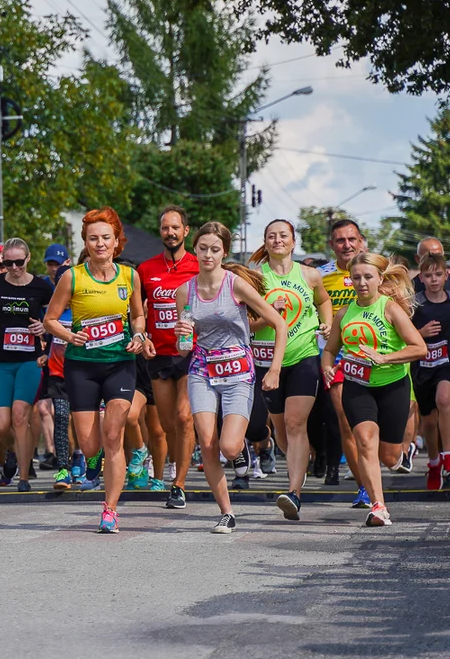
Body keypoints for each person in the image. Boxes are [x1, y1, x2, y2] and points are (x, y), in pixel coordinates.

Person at [175, 222, 287, 534]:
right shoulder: (185, 291)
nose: (208, 255)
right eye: (203, 248)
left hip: (238, 371)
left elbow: (278, 323)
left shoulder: (235, 284)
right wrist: (181, 336)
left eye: (215, 249)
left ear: (224, 252)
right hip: (202, 370)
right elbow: (183, 348)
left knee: (229, 447)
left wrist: (274, 369)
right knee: (208, 444)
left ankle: (241, 453)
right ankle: (226, 512)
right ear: (195, 249)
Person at [44, 207, 147, 533]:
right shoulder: (72, 277)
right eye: (93, 239)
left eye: (106, 238)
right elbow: (49, 320)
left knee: (114, 435)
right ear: (85, 243)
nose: (100, 244)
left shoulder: (130, 276)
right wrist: (67, 333)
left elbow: (138, 316)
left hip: (120, 364)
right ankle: (93, 458)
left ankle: (110, 509)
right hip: (82, 366)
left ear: (117, 241)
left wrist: (140, 335)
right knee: (91, 445)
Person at [321, 253, 426, 526]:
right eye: (356, 277)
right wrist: (328, 366)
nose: (362, 282)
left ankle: (401, 454)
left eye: (368, 277)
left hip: (392, 385)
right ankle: (378, 506)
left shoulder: (390, 308)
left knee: (389, 457)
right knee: (365, 440)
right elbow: (330, 349)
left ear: (380, 278)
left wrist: (384, 358)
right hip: (357, 385)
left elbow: (419, 348)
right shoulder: (343, 313)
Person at [248, 220, 332, 520]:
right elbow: (245, 322)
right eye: (271, 236)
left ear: (293, 242)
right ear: (265, 242)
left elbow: (324, 300)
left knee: (297, 424)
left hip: (304, 356)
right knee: (282, 432)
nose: (277, 240)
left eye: (283, 235)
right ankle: (297, 462)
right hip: (268, 362)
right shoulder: (256, 277)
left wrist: (328, 322)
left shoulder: (309, 274)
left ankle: (294, 492)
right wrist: (270, 316)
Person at [136, 205, 198, 509]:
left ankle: (179, 484)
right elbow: (137, 312)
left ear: (186, 231)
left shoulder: (199, 266)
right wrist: (142, 335)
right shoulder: (145, 269)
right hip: (158, 353)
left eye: (176, 228)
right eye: (165, 228)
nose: (170, 233)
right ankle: (179, 459)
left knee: (185, 417)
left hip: (190, 352)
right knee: (167, 422)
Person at [0, 238, 54, 493]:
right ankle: (18, 451)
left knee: (19, 416)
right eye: (7, 263)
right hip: (1, 360)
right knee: (0, 424)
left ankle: (23, 478)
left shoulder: (41, 287)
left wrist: (45, 326)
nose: (13, 267)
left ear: (28, 260)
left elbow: (57, 314)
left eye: (18, 262)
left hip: (29, 360)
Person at [318, 220, 372, 507]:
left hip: (376, 355)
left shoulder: (377, 271)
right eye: (340, 240)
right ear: (332, 245)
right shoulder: (320, 276)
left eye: (352, 239)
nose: (347, 245)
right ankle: (364, 487)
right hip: (339, 357)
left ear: (361, 241)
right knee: (347, 422)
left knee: (376, 431)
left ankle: (384, 463)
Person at [411, 252, 450, 490]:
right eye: (428, 275)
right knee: (429, 422)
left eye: (438, 274)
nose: (433, 279)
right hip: (422, 365)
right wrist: (420, 334)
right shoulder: (415, 303)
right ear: (421, 278)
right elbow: (404, 330)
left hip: (446, 360)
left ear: (446, 276)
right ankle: (434, 464)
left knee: (444, 398)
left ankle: (448, 455)